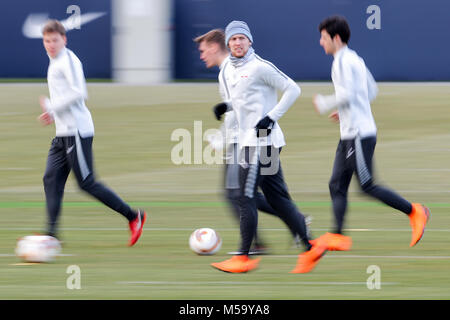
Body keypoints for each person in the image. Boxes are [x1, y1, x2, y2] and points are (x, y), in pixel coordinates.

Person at [210, 21, 326, 274]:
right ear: (227, 44)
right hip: (252, 142)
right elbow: (242, 99)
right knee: (278, 199)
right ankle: (311, 247)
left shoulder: (260, 67)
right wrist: (226, 106)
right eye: (233, 39)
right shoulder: (226, 69)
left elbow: (293, 89)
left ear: (250, 41)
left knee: (244, 196)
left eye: (242, 38)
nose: (238, 43)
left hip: (263, 143)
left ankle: (242, 257)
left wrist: (272, 117)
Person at [312, 15, 430, 250]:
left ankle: (415, 211)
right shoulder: (354, 58)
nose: (320, 42)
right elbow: (371, 90)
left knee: (367, 185)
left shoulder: (343, 62)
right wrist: (344, 111)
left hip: (358, 134)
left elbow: (348, 93)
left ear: (336, 38)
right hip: (350, 133)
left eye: (323, 37)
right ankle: (337, 235)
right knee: (336, 184)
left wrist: (326, 103)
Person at [194, 29, 305, 255]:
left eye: (203, 50)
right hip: (245, 139)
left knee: (239, 195)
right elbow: (237, 105)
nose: (202, 55)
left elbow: (241, 111)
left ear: (215, 47)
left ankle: (257, 245)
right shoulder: (230, 69)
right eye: (233, 39)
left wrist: (223, 138)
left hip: (247, 141)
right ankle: (292, 228)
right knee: (253, 194)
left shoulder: (235, 68)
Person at [37, 20, 147, 246]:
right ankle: (51, 234)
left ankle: (133, 216)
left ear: (64, 39)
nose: (50, 45)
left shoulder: (68, 61)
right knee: (51, 179)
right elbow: (64, 97)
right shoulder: (55, 61)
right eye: (47, 41)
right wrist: (54, 114)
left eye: (55, 40)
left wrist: (51, 108)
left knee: (87, 182)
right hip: (63, 133)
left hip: (77, 131)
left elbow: (80, 93)